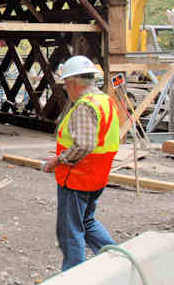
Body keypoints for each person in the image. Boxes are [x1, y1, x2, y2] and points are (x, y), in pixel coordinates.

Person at [43, 55, 120, 271]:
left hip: (77, 178)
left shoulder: (85, 107)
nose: (66, 90)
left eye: (66, 85)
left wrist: (57, 161)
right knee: (87, 222)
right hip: (97, 177)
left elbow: (84, 145)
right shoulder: (106, 101)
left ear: (73, 83)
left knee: (70, 231)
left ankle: (73, 277)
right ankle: (118, 260)